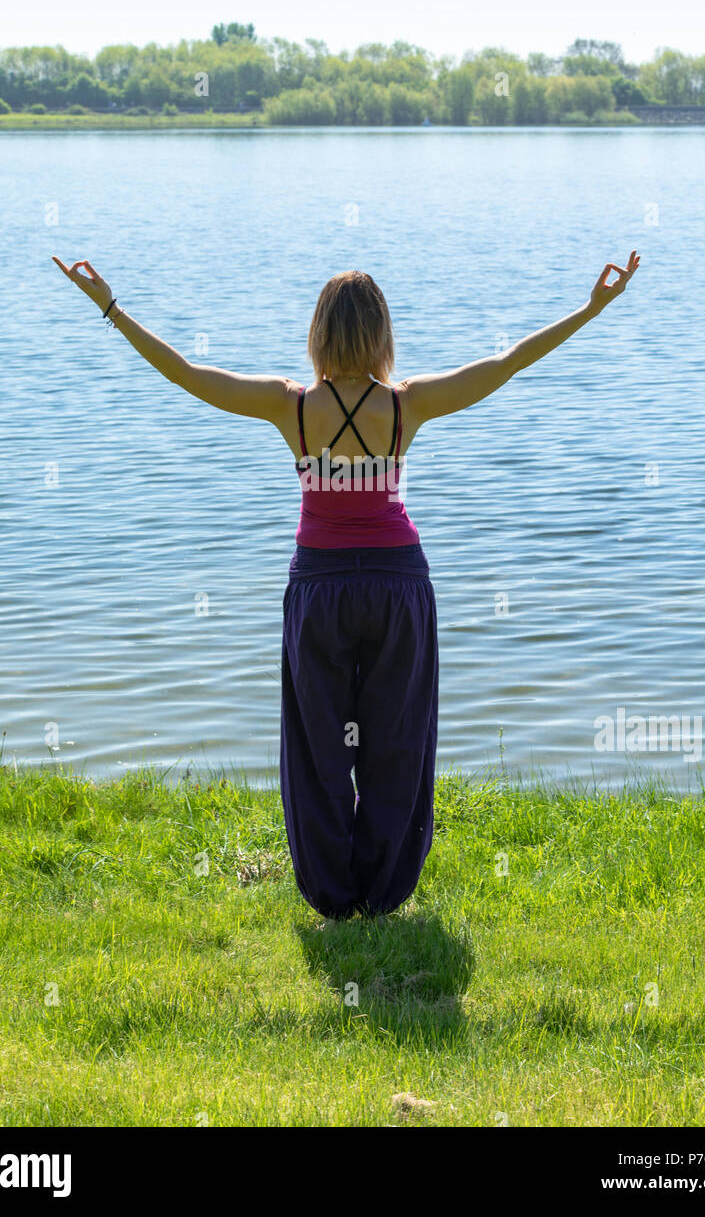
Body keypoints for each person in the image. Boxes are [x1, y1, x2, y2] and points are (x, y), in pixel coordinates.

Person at [52, 250, 641, 920]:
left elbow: (187, 374)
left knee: (317, 743)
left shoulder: (290, 406)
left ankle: (334, 894)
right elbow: (505, 366)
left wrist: (111, 307)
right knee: (396, 739)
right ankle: (382, 892)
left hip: (322, 589)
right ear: (382, 334)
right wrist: (590, 311)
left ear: (319, 333)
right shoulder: (408, 404)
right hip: (397, 586)